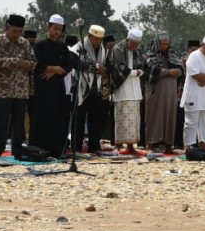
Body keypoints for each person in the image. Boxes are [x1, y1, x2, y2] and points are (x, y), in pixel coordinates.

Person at [0, 14, 36, 158]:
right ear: (6, 28)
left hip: (20, 90)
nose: (17, 35)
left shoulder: (24, 43)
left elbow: (33, 62)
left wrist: (23, 64)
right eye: (14, 31)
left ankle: (18, 150)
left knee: (18, 123)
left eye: (20, 31)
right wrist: (17, 62)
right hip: (1, 90)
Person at [31, 15, 75, 158]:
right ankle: (39, 149)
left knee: (58, 118)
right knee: (42, 117)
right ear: (48, 27)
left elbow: (69, 65)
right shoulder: (40, 45)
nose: (57, 32)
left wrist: (56, 71)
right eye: (55, 29)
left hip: (57, 88)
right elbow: (36, 66)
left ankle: (57, 150)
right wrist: (52, 68)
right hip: (43, 88)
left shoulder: (63, 47)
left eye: (60, 30)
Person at [143, 32, 184, 153]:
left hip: (171, 92)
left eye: (167, 44)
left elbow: (180, 70)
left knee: (170, 116)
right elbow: (151, 71)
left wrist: (173, 71)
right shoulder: (149, 56)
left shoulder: (172, 55)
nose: (165, 46)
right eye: (162, 44)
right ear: (157, 43)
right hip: (156, 91)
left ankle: (168, 145)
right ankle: (150, 144)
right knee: (154, 116)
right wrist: (168, 72)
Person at [73, 25, 110, 153]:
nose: (98, 42)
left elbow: (108, 67)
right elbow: (75, 63)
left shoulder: (104, 50)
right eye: (96, 39)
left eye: (100, 39)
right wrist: (95, 66)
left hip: (97, 89)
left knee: (96, 120)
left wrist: (103, 69)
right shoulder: (79, 47)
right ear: (89, 37)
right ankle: (76, 148)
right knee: (79, 120)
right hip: (82, 88)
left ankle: (94, 147)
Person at [107, 28, 145, 154]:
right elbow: (121, 68)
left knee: (134, 121)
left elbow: (143, 65)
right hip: (122, 89)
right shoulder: (118, 49)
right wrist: (137, 73)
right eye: (133, 44)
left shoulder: (137, 51)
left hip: (135, 90)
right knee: (121, 119)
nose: (135, 46)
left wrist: (138, 72)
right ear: (128, 40)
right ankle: (118, 146)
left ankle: (130, 146)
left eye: (137, 44)